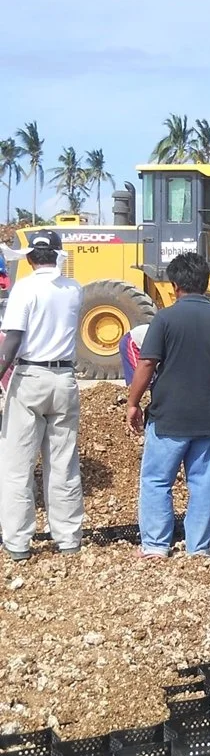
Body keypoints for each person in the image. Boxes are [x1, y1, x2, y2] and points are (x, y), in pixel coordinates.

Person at [127, 252, 210, 558]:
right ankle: (199, 549)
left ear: (176, 284)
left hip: (169, 417)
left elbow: (147, 363)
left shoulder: (165, 318)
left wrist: (133, 402)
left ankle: (155, 545)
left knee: (156, 480)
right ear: (205, 283)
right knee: (203, 483)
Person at [0, 229, 84, 561]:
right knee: (63, 462)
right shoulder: (74, 290)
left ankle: (19, 542)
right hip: (64, 378)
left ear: (31, 257)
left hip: (30, 377)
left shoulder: (24, 289)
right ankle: (68, 538)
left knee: (17, 465)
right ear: (58, 255)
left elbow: (12, 341)